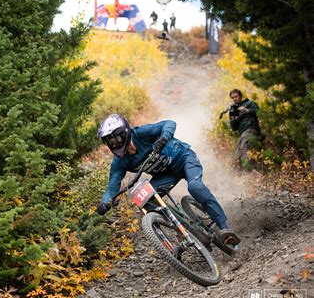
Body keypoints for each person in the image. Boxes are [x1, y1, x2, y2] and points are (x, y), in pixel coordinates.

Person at [96, 114, 241, 246]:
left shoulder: (140, 134)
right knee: (146, 201)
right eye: (109, 142)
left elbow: (169, 123)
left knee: (195, 187)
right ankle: (186, 230)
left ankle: (224, 228)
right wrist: (106, 202)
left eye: (115, 139)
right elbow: (112, 184)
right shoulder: (120, 161)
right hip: (166, 175)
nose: (113, 144)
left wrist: (164, 136)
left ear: (124, 133)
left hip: (184, 158)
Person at [228, 89, 261, 169]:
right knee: (237, 153)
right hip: (243, 133)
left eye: (236, 96)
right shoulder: (234, 109)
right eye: (232, 98)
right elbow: (234, 128)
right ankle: (239, 173)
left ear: (240, 96)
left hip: (251, 128)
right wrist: (233, 119)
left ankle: (248, 171)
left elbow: (258, 111)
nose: (234, 99)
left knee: (244, 147)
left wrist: (246, 110)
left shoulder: (249, 103)